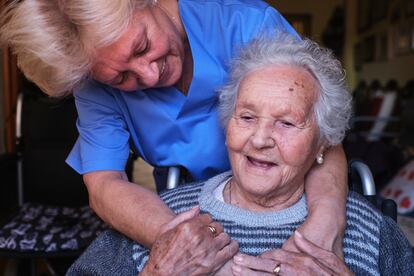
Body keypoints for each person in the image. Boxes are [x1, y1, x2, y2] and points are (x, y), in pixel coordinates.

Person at [1, 0, 348, 267]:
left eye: (141, 46)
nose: (149, 76)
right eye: (122, 78)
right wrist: (179, 239)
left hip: (290, 197)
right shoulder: (96, 85)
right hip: (188, 204)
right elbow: (105, 184)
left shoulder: (242, 22)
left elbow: (322, 129)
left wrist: (326, 222)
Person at [67, 33, 414, 275]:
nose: (260, 139)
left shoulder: (367, 231)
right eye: (247, 117)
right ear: (227, 124)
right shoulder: (166, 218)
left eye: (287, 123)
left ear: (323, 143)